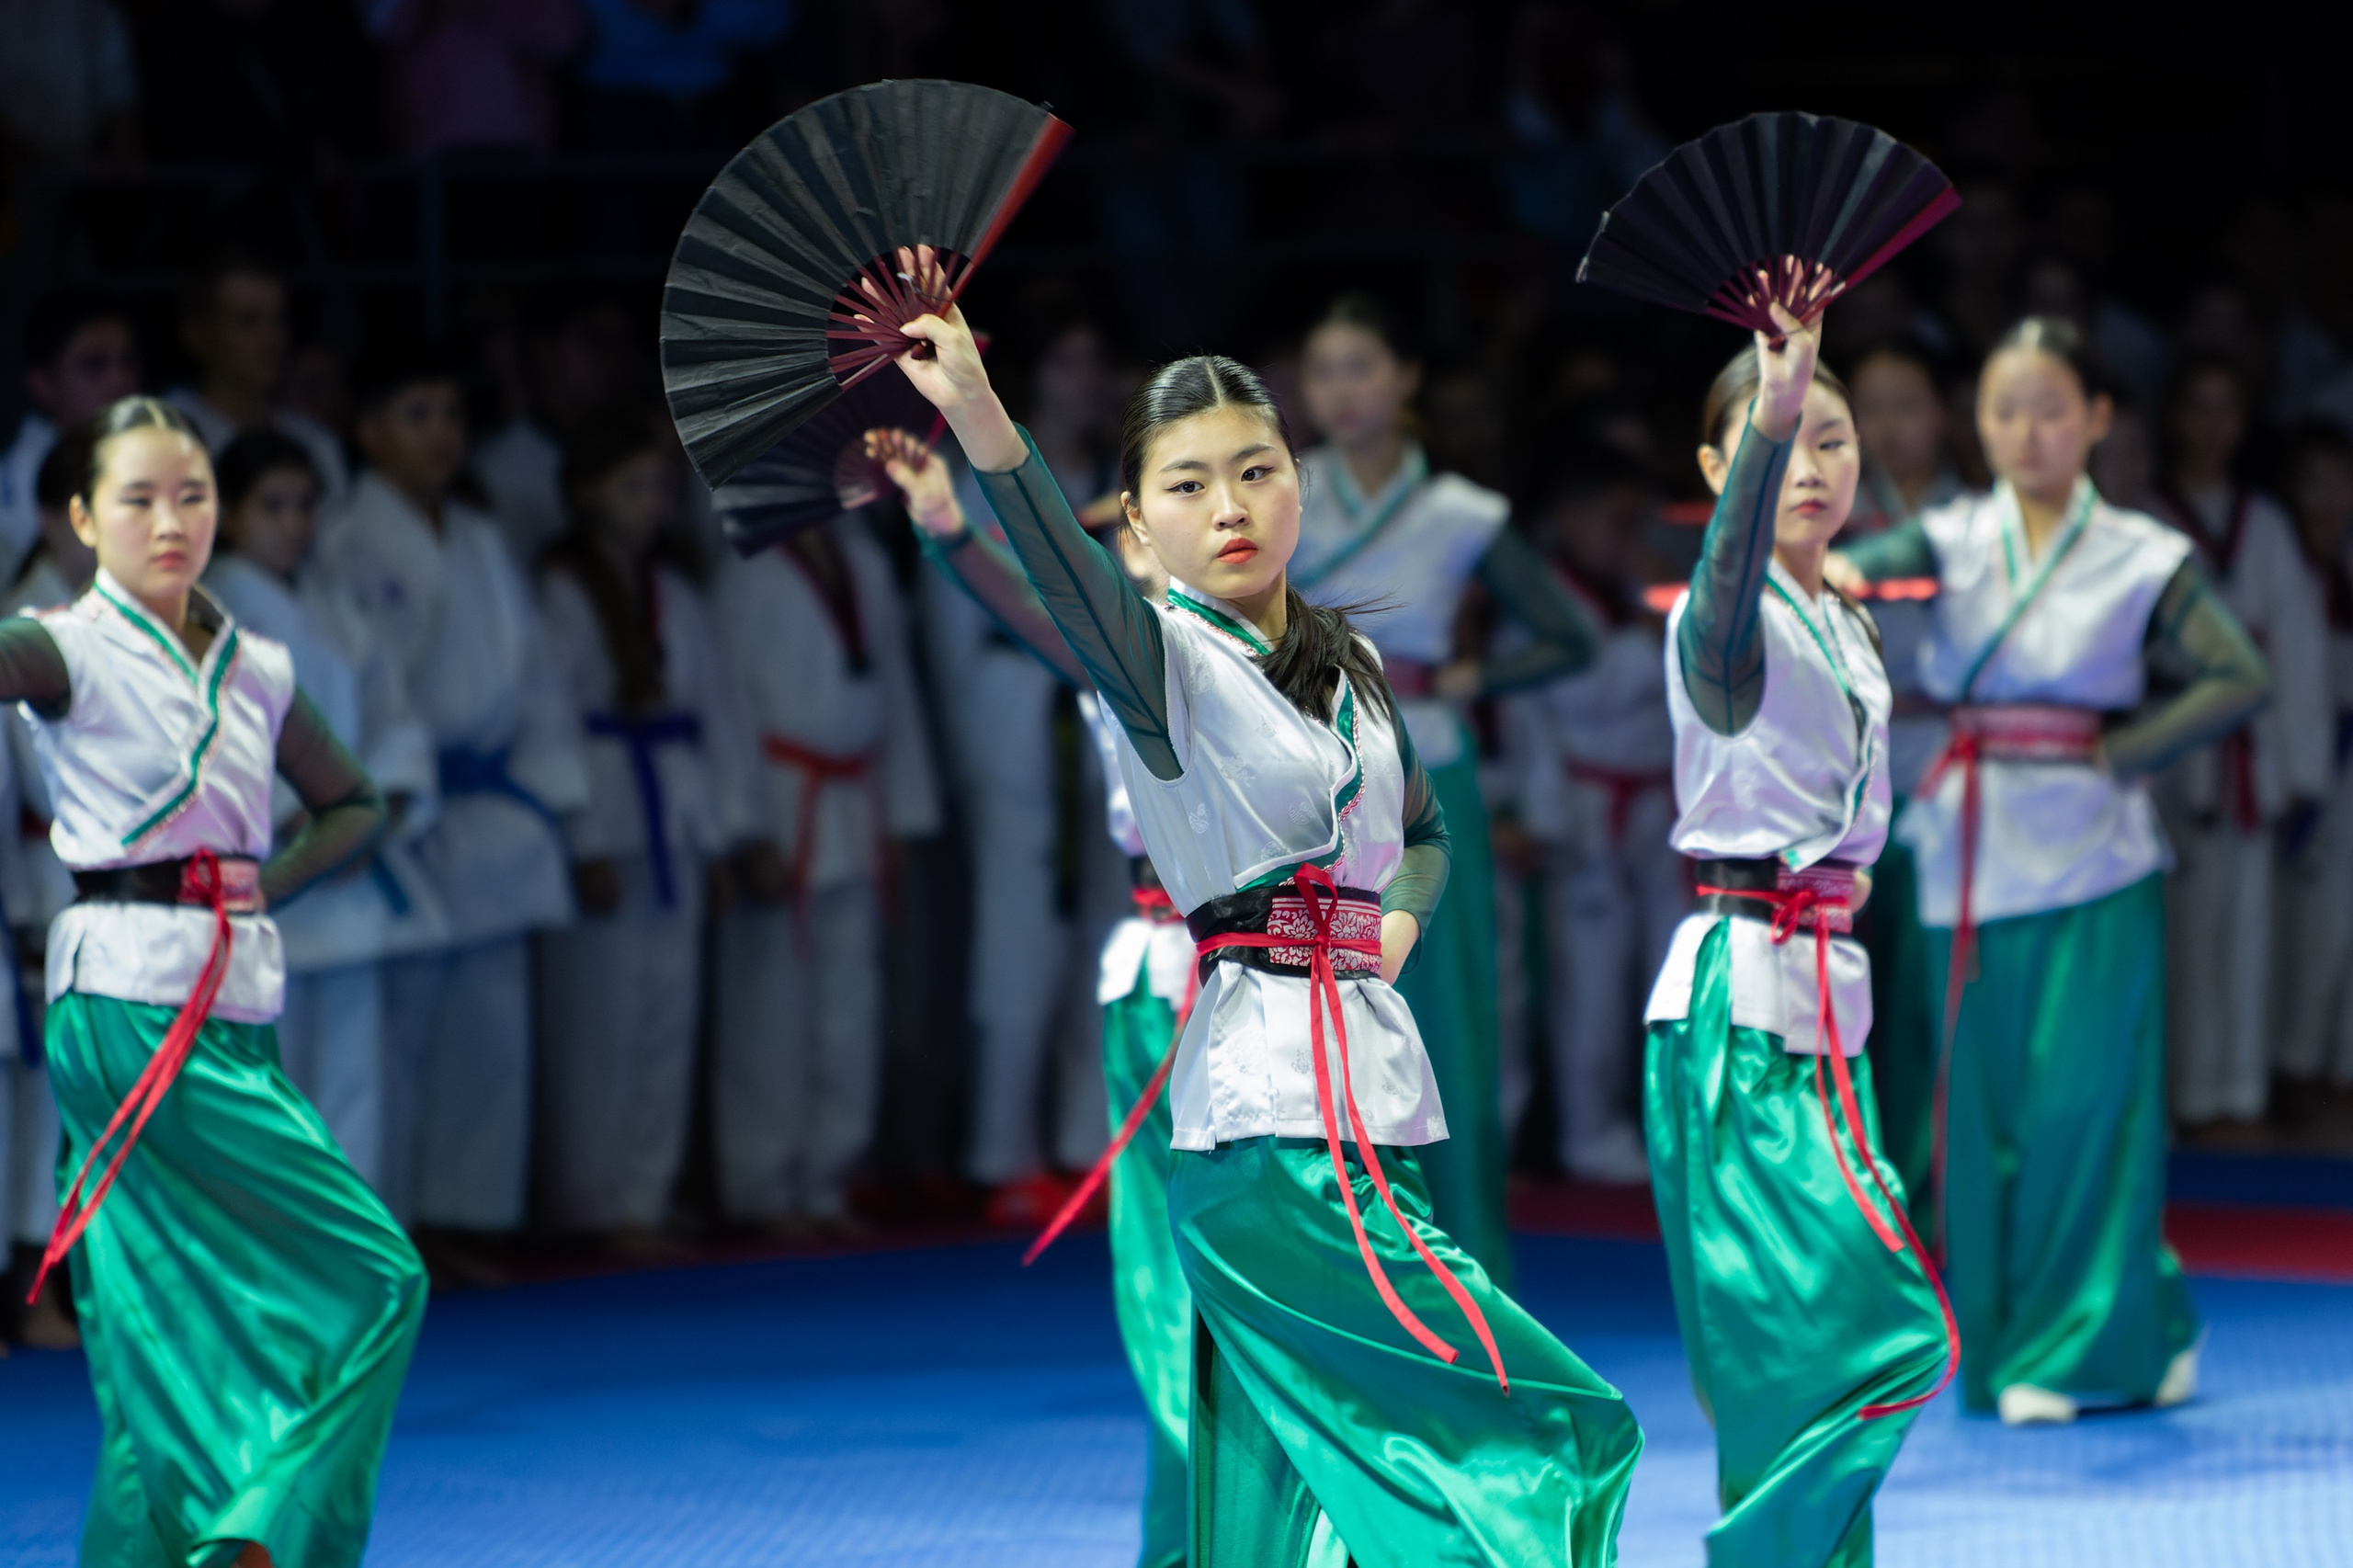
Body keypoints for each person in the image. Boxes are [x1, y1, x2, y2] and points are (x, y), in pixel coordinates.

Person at [884, 246, 1641, 1567]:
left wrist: (1386, 934)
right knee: (1546, 1432)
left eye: (1256, 468)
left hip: (1359, 1107)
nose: (1229, 504)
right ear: (1142, 518)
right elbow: (1053, 576)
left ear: (1296, 480)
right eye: (1187, 484)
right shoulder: (1157, 655)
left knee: (1290, 1493)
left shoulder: (1347, 659)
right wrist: (977, 417)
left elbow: (1426, 831)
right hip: (1270, 1131)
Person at [1831, 315, 2271, 1424]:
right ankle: (2093, 1321)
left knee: (2083, 1108)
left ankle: (2081, 1348)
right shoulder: (1950, 532)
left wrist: (2123, 751)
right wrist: (1822, 564)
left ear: (2097, 419)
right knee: (1979, 1117)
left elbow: (2238, 673)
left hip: (2095, 854)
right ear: (1977, 425)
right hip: (1968, 853)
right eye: (2003, 410)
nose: (2026, 432)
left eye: (2049, 409)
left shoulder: (2139, 549)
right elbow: (1851, 567)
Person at [11, 396, 422, 1568]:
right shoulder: (64, 642)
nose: (169, 519)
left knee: (157, 1331)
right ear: (84, 518)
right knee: (377, 1279)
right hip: (127, 1007)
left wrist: (252, 886)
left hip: (228, 999)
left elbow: (355, 805)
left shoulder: (258, 665)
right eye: (136, 498)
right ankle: (259, 1539)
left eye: (190, 495)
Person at [1639, 304, 1951, 1567]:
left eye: (1833, 440)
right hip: (1739, 1001)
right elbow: (1723, 577)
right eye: (1781, 445)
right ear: (1720, 471)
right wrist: (1771, 410)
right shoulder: (1721, 620)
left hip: (1828, 999)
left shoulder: (1850, 618)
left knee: (1815, 1338)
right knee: (1865, 1327)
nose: (1814, 465)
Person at [872, 422, 1193, 1568]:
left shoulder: (1292, 647)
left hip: (1303, 990)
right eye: (1169, 501)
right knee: (1177, 1290)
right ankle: (1203, 1532)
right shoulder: (1119, 644)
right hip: (1175, 981)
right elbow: (1032, 602)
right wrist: (955, 529)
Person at [1292, 291, 1601, 1285]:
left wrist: (1473, 677)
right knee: (1318, 1011)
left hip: (1429, 769)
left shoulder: (1462, 513)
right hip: (1308, 776)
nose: (1341, 393)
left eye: (1362, 368)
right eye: (1323, 372)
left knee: (1443, 1010)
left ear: (1406, 379)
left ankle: (1461, 1262)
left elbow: (1569, 634)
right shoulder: (1274, 492)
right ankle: (1345, 1263)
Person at [318, 347, 586, 1256]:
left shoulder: (477, 535)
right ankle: (399, 1230)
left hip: (492, 810)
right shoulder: (348, 538)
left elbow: (538, 682)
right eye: (416, 413)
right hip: (408, 813)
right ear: (369, 432)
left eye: (449, 414)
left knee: (491, 1037)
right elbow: (363, 692)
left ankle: (471, 1223)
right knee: (400, 1044)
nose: (441, 434)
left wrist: (558, 802)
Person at [536, 406, 755, 1242]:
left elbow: (721, 717)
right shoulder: (561, 589)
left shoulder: (675, 590)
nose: (650, 503)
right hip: (611, 815)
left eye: (657, 488)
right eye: (631, 487)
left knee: (668, 1016)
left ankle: (646, 1196)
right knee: (600, 1023)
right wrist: (582, 840)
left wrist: (729, 835)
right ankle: (593, 1203)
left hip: (677, 813)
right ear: (587, 494)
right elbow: (548, 716)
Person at [923, 317, 1122, 1221]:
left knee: (1109, 934)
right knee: (1016, 944)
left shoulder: (1117, 485)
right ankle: (1005, 1151)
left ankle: (1091, 1142)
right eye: (1070, 359)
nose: (1088, 380)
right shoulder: (967, 481)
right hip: (1011, 726)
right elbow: (948, 645)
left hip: (1104, 719)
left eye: (1094, 362)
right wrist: (969, 762)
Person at [710, 456, 940, 1236]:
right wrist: (746, 828)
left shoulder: (864, 559)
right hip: (785, 801)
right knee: (772, 1004)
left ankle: (830, 1178)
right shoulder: (743, 571)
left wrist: (903, 814)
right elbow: (726, 707)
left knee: (850, 1002)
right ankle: (763, 1184)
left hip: (855, 801)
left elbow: (895, 690)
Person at [204, 431, 437, 1195]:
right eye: (272, 506)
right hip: (265, 872)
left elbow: (395, 720)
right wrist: (293, 820)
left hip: (351, 874)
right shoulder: (203, 613)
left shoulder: (340, 610)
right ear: (229, 516)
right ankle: (273, 1272)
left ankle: (355, 1264)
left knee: (355, 1077)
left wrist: (382, 805)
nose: (293, 523)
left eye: (305, 506)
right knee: (266, 1085)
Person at [2149, 356, 2331, 1137]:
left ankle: (2239, 1092)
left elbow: (2300, 654)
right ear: (2177, 417)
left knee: (2248, 931)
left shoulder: (2268, 523)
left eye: (2229, 409)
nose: (2214, 426)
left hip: (2249, 745)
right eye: (2200, 407)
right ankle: (2183, 1094)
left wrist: (2302, 770)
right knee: (2178, 930)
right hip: (2171, 742)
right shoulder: (2148, 516)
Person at [1502, 445, 1680, 1185]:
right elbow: (1585, 697)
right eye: (1613, 520)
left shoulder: (1626, 594)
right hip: (1586, 812)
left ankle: (1656, 1125)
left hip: (1653, 809)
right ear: (1568, 519)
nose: (1626, 536)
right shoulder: (1541, 606)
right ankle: (1586, 1130)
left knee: (1664, 975)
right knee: (1592, 984)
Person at [1840, 337, 1971, 1222]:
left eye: (1907, 405)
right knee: (1856, 999)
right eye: (1870, 410)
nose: (1889, 428)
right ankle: (1864, 1201)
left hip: (1948, 775)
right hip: (1853, 776)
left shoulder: (1978, 521)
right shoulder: (1835, 521)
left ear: (1945, 416)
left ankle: (1931, 1198)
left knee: (1933, 1006)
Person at [2273, 423, 2353, 1127]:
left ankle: (2338, 1067)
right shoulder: (2283, 561)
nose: (2327, 498)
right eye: (2313, 482)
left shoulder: (2344, 566)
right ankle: (2291, 1069)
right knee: (2306, 928)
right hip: (2306, 766)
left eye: (2340, 481)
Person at [169, 252, 349, 510]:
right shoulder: (162, 437)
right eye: (248, 322)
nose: (271, 339)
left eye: (278, 320)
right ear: (196, 333)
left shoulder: (317, 444)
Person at [2, 291, 141, 584]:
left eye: (127, 361)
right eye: (94, 364)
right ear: (43, 383)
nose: (119, 379)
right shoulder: (18, 484)